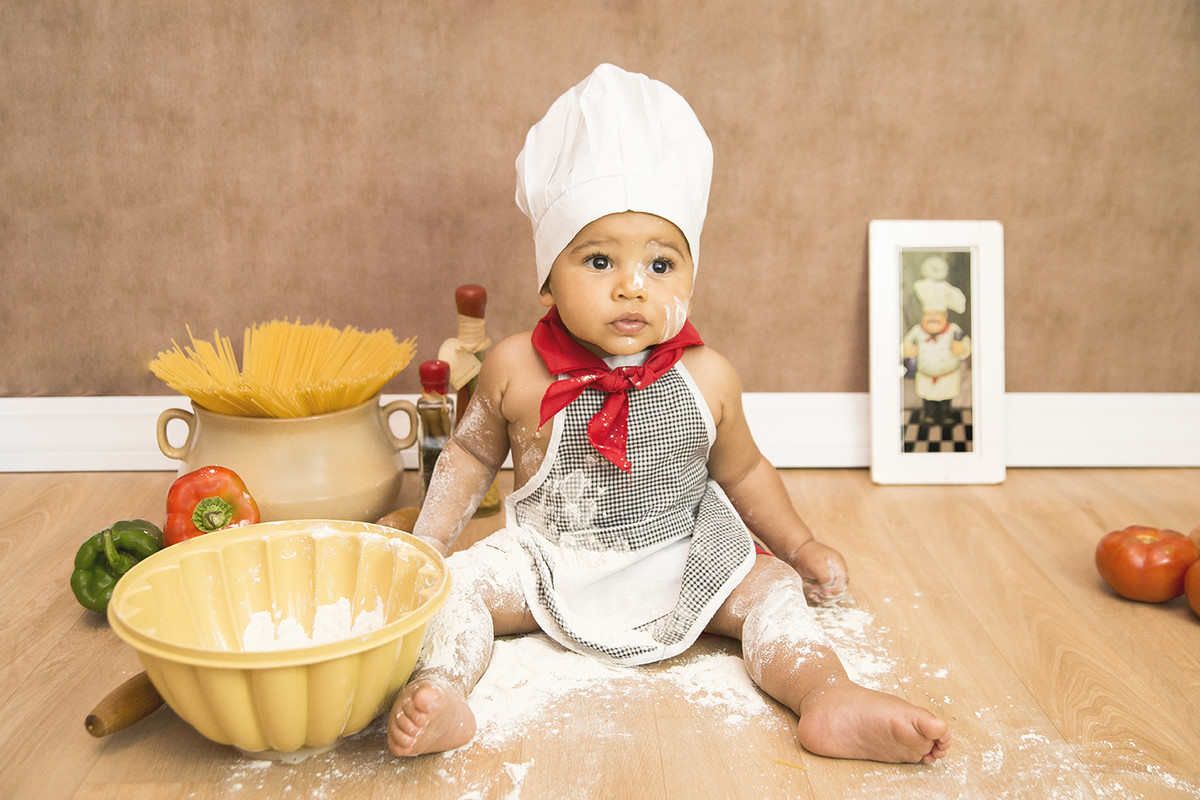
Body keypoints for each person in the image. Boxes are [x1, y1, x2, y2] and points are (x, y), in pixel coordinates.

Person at [387, 63, 950, 765]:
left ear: (689, 275)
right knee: (455, 592)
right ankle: (445, 693)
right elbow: (470, 458)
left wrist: (801, 549)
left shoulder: (708, 376)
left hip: (681, 561)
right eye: (598, 261)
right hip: (547, 563)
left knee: (771, 592)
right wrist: (431, 546)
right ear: (545, 282)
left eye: (660, 264)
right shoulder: (515, 368)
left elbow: (746, 474)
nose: (631, 285)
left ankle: (826, 694)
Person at [902, 256, 971, 426]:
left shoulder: (953, 330)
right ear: (923, 316)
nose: (932, 318)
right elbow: (904, 346)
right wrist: (907, 349)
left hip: (948, 375)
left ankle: (946, 414)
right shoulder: (917, 331)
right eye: (929, 315)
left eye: (937, 315)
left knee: (945, 398)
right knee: (929, 399)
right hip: (926, 375)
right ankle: (929, 414)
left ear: (945, 316)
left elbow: (967, 344)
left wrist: (961, 348)